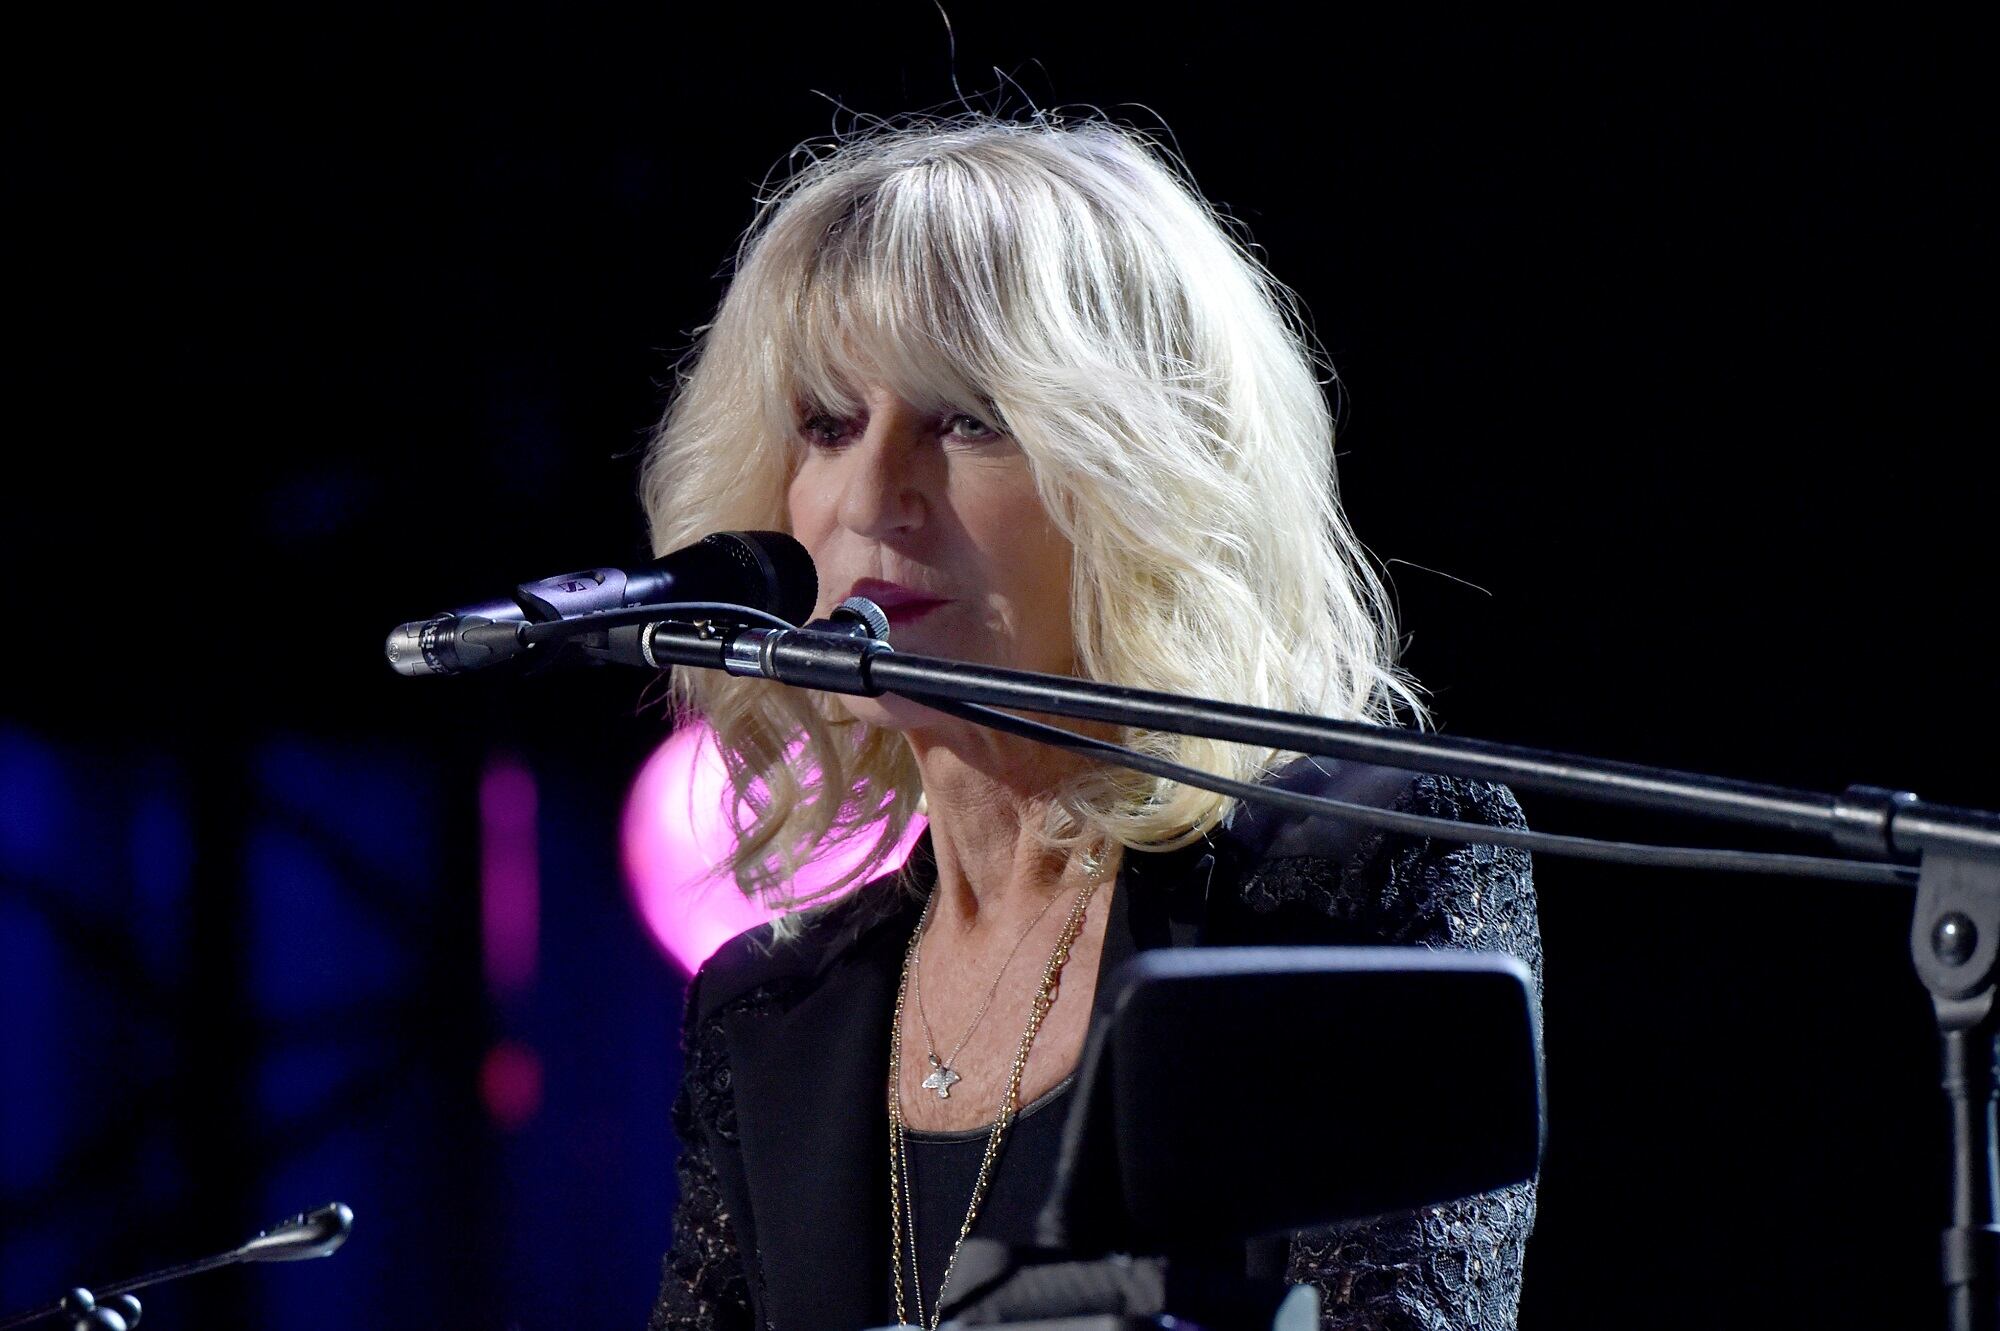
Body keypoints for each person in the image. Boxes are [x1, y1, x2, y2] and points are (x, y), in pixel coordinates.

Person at [638, 112, 1541, 1331]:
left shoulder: (1360, 864)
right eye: (826, 423)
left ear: (1144, 469)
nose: (870, 497)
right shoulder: (766, 1005)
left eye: (966, 419)